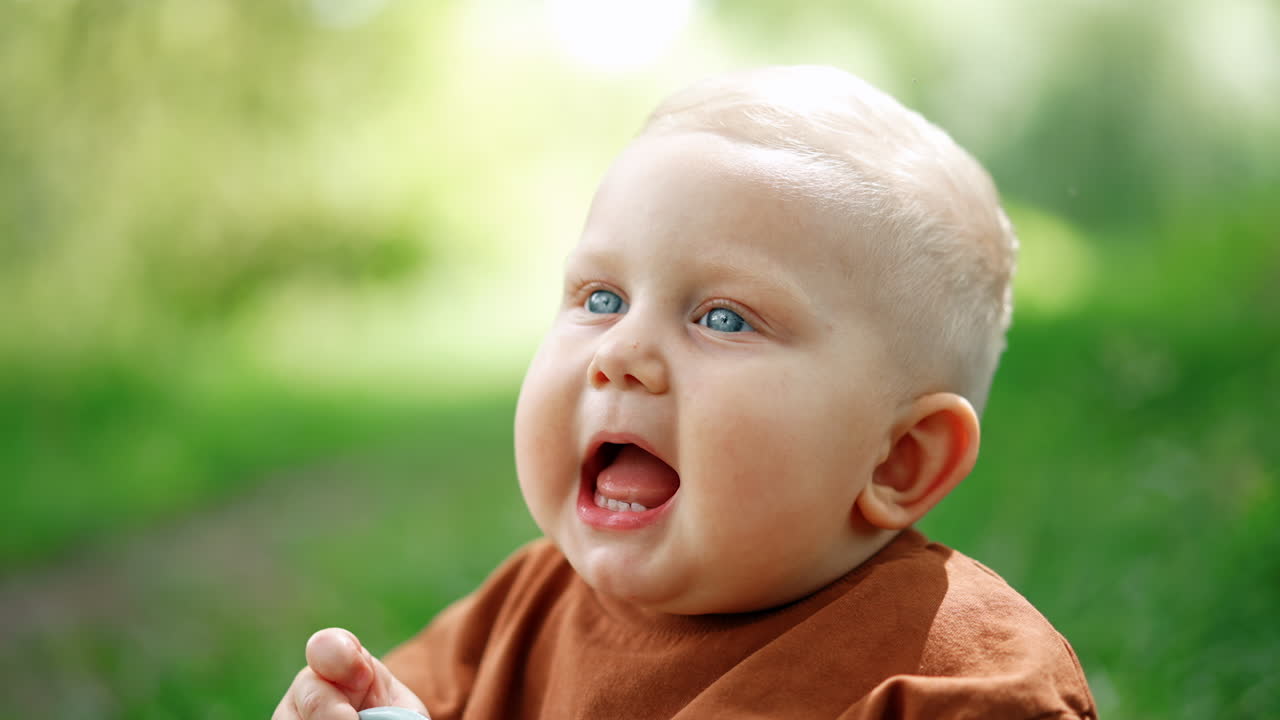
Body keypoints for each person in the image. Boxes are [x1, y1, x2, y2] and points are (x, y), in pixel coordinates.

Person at [272, 65, 1096, 720]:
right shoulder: (521, 612)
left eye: (724, 318)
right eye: (600, 299)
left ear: (900, 461)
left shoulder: (963, 683)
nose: (622, 352)